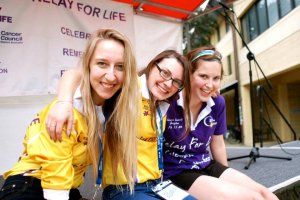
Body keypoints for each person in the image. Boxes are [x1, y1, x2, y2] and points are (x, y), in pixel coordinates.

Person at [0, 28, 140, 200]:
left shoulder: (109, 108)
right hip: (31, 187)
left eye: (120, 67)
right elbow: (55, 176)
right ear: (88, 64)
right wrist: (65, 99)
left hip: (68, 188)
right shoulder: (67, 111)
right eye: (102, 63)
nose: (111, 76)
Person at [44, 49, 191, 199]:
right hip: (123, 188)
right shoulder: (128, 87)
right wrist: (63, 101)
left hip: (158, 185)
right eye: (165, 73)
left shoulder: (163, 104)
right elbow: (76, 74)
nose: (168, 84)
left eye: (176, 82)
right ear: (152, 66)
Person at [163, 46, 279, 200]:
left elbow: (217, 143)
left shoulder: (218, 103)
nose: (210, 85)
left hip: (205, 164)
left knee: (265, 194)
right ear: (188, 74)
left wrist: (225, 175)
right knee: (251, 198)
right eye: (203, 76)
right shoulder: (169, 101)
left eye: (215, 78)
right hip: (177, 171)